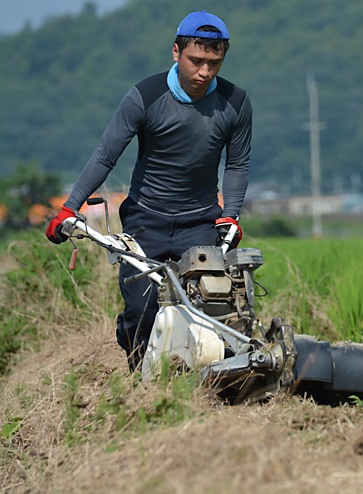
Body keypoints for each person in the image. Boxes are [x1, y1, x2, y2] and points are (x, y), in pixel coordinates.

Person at [45, 11, 252, 371]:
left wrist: (230, 214)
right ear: (176, 52)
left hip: (200, 221)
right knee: (142, 309)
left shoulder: (235, 103)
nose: (205, 72)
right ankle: (139, 376)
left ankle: (207, 381)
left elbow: (237, 164)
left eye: (214, 62)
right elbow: (106, 155)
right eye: (196, 61)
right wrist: (70, 207)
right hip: (145, 219)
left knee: (210, 304)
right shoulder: (145, 97)